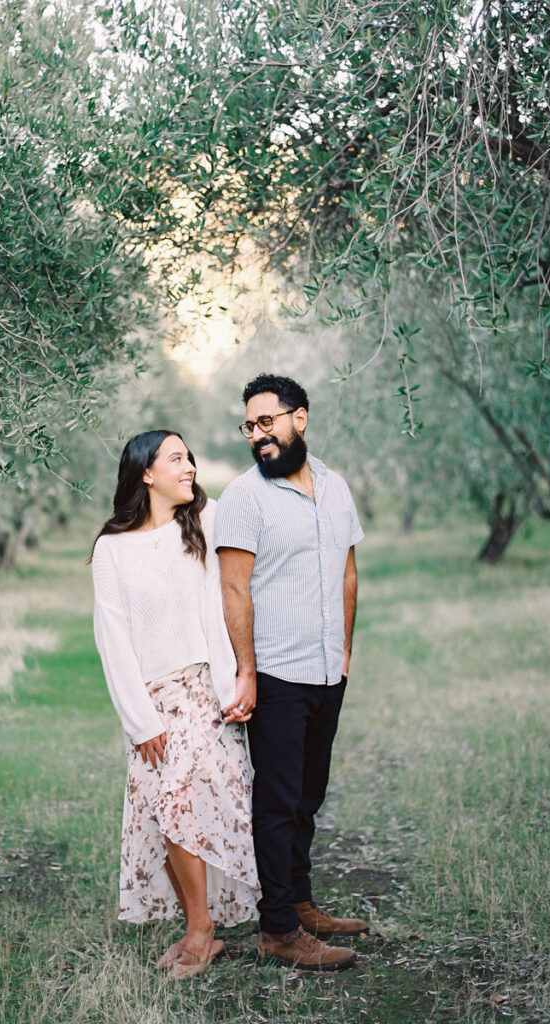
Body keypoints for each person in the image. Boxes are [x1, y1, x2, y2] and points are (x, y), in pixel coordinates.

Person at [91, 429, 259, 980]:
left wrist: (238, 679)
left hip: (205, 693)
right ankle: (199, 929)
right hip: (152, 703)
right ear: (145, 473)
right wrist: (140, 722)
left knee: (184, 803)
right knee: (164, 811)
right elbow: (112, 641)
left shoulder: (205, 526)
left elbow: (229, 599)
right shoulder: (111, 549)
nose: (189, 467)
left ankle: (201, 932)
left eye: (190, 458)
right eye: (176, 458)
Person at [214, 374, 369, 971]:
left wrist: (347, 653)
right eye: (249, 426)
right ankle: (276, 930)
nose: (258, 435)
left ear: (298, 419)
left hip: (329, 672)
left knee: (308, 796)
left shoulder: (335, 487)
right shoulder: (245, 499)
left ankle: (300, 906)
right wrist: (247, 673)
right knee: (277, 803)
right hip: (277, 673)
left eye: (266, 422)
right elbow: (234, 589)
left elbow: (348, 573)